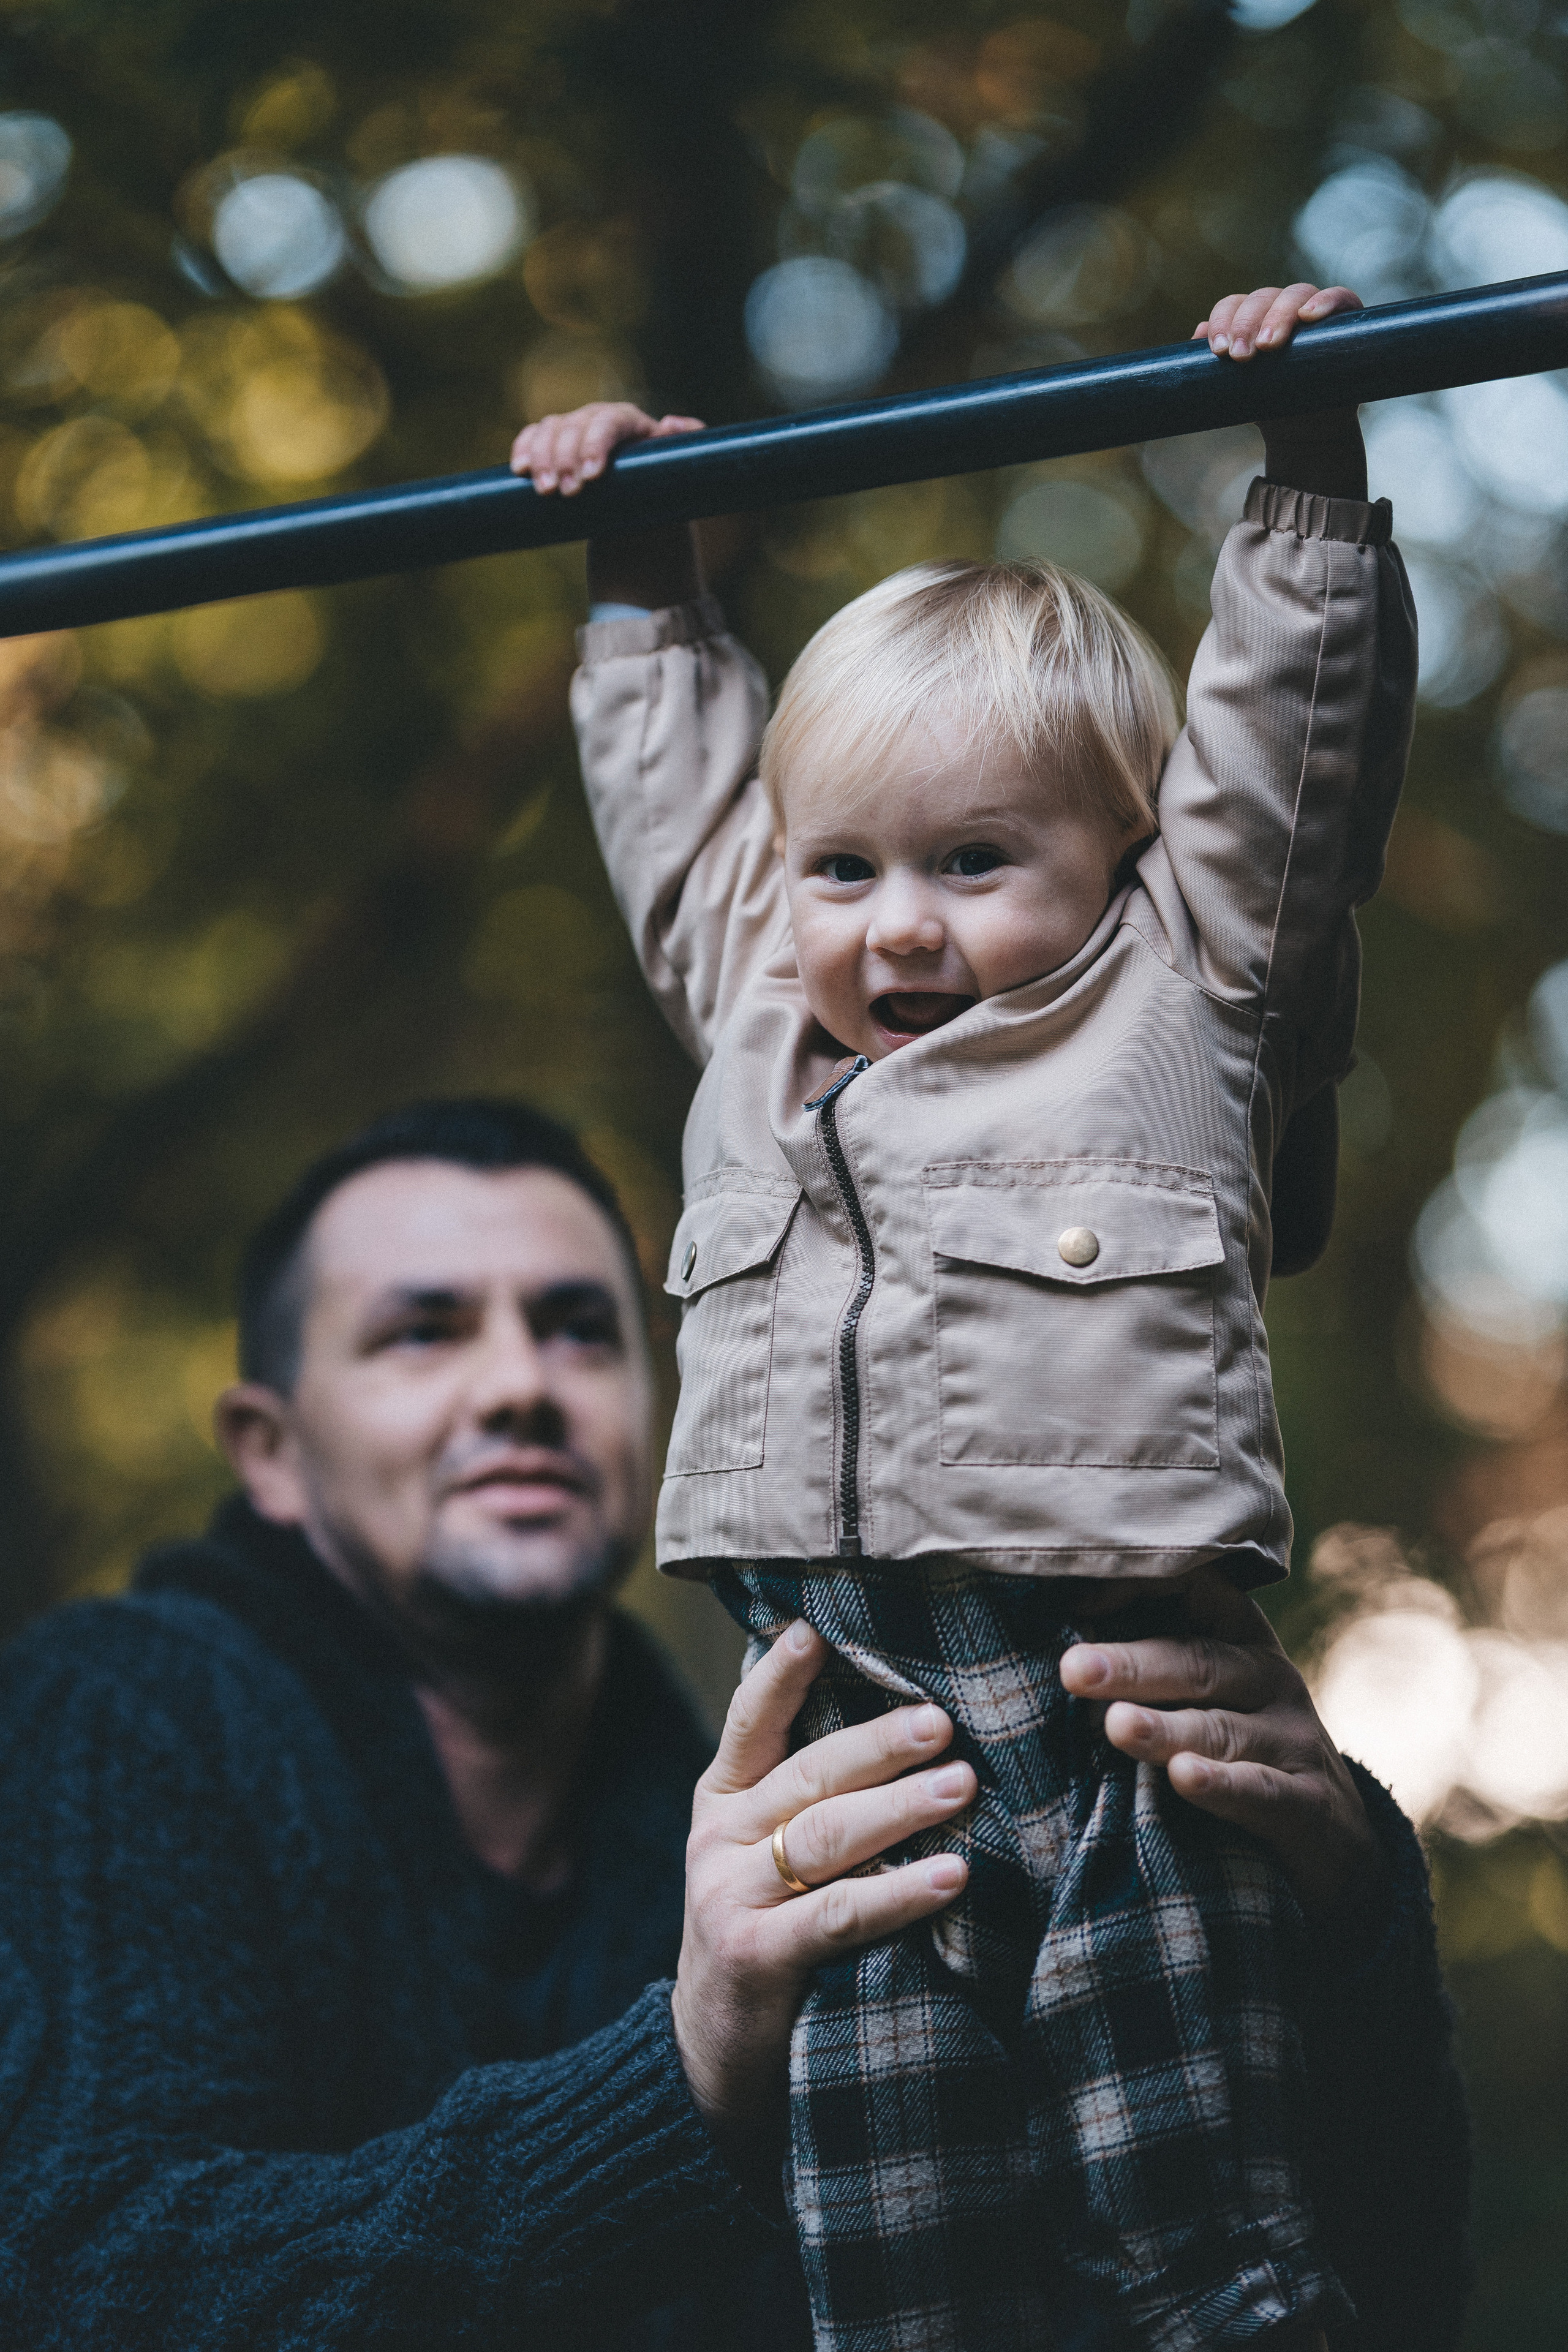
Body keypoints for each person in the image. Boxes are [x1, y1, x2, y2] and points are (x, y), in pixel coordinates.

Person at [513, 279, 1419, 2350]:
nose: (896, 922)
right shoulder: (766, 1014)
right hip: (845, 1703)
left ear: (1116, 864)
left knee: (1186, 2160)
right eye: (840, 869)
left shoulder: (1180, 989)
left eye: (977, 859)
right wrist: (639, 574)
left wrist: (1308, 470)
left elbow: (1285, 762)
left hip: (1111, 1698)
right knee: (888, 2171)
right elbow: (678, 829)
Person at [0, 1099, 1465, 2348]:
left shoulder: (781, 1781)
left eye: (577, 1330)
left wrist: (1329, 1922)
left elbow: (1291, 2290)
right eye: (422, 1333)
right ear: (270, 1451)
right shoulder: (122, 1718)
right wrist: (682, 2079)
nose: (519, 1385)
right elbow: (85, 2279)